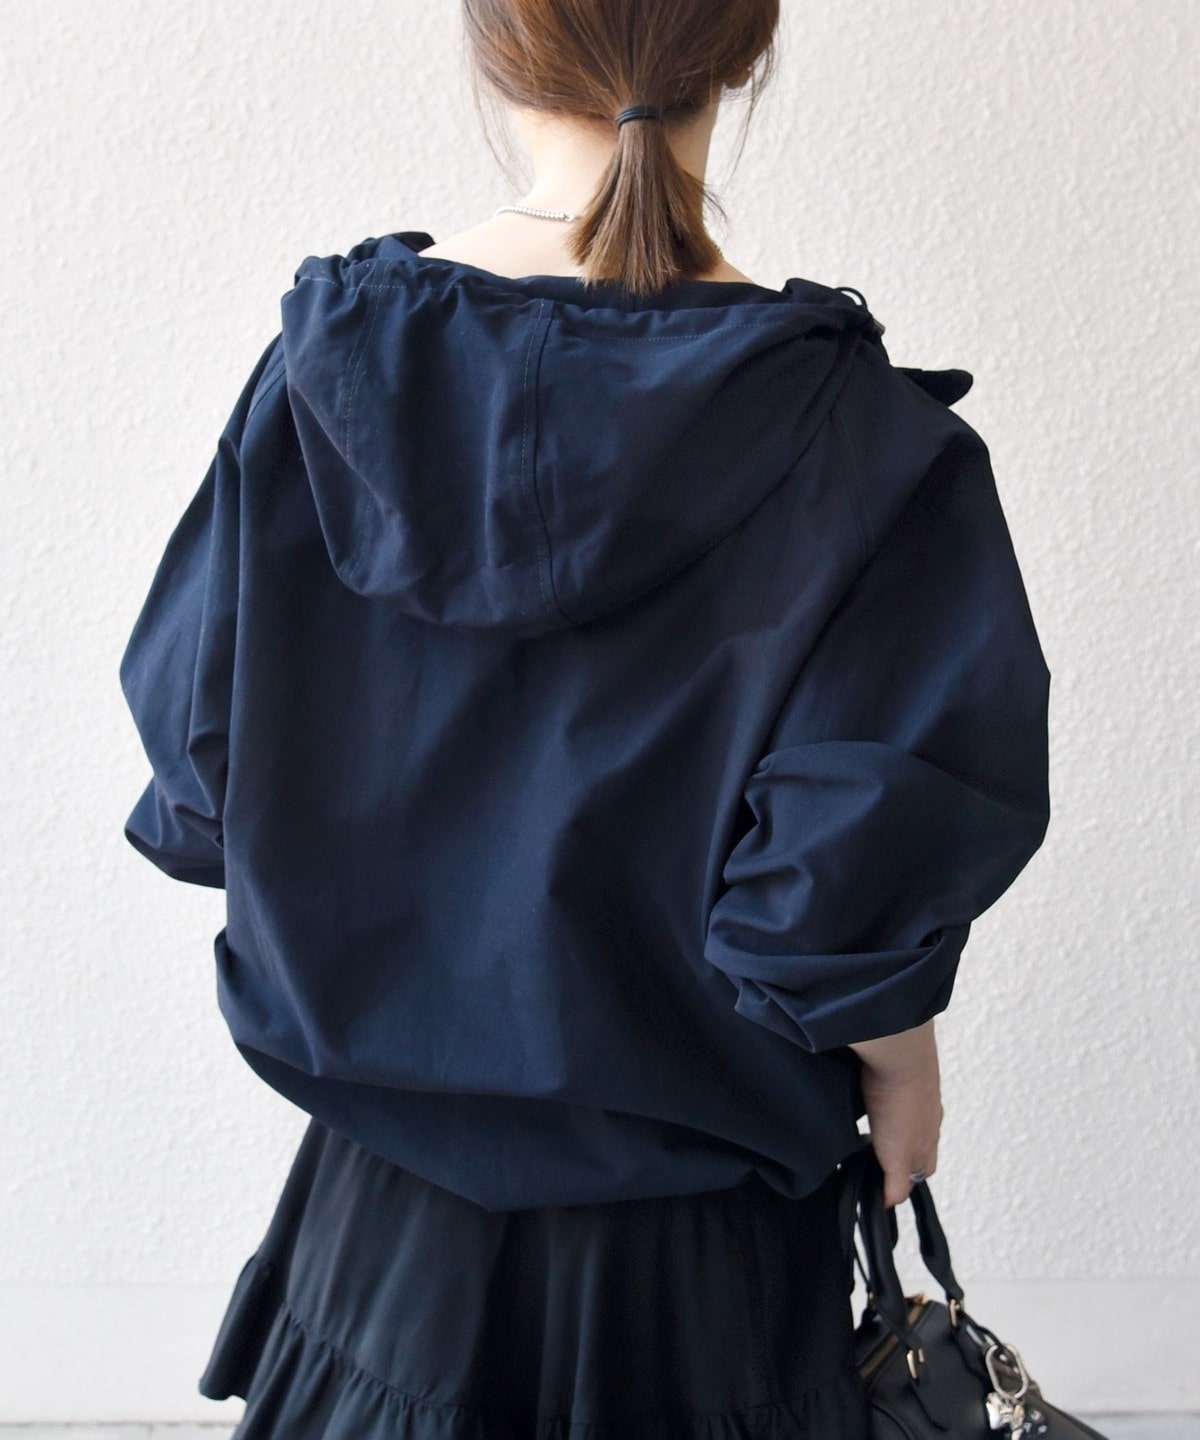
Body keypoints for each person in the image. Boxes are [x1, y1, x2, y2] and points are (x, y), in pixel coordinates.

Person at [118, 2, 1051, 1435]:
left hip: (386, 1244)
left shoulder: (325, 384)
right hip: (708, 1262)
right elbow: (838, 888)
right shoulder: (867, 445)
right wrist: (904, 1061)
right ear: (745, 50)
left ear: (497, 50)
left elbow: (204, 784)